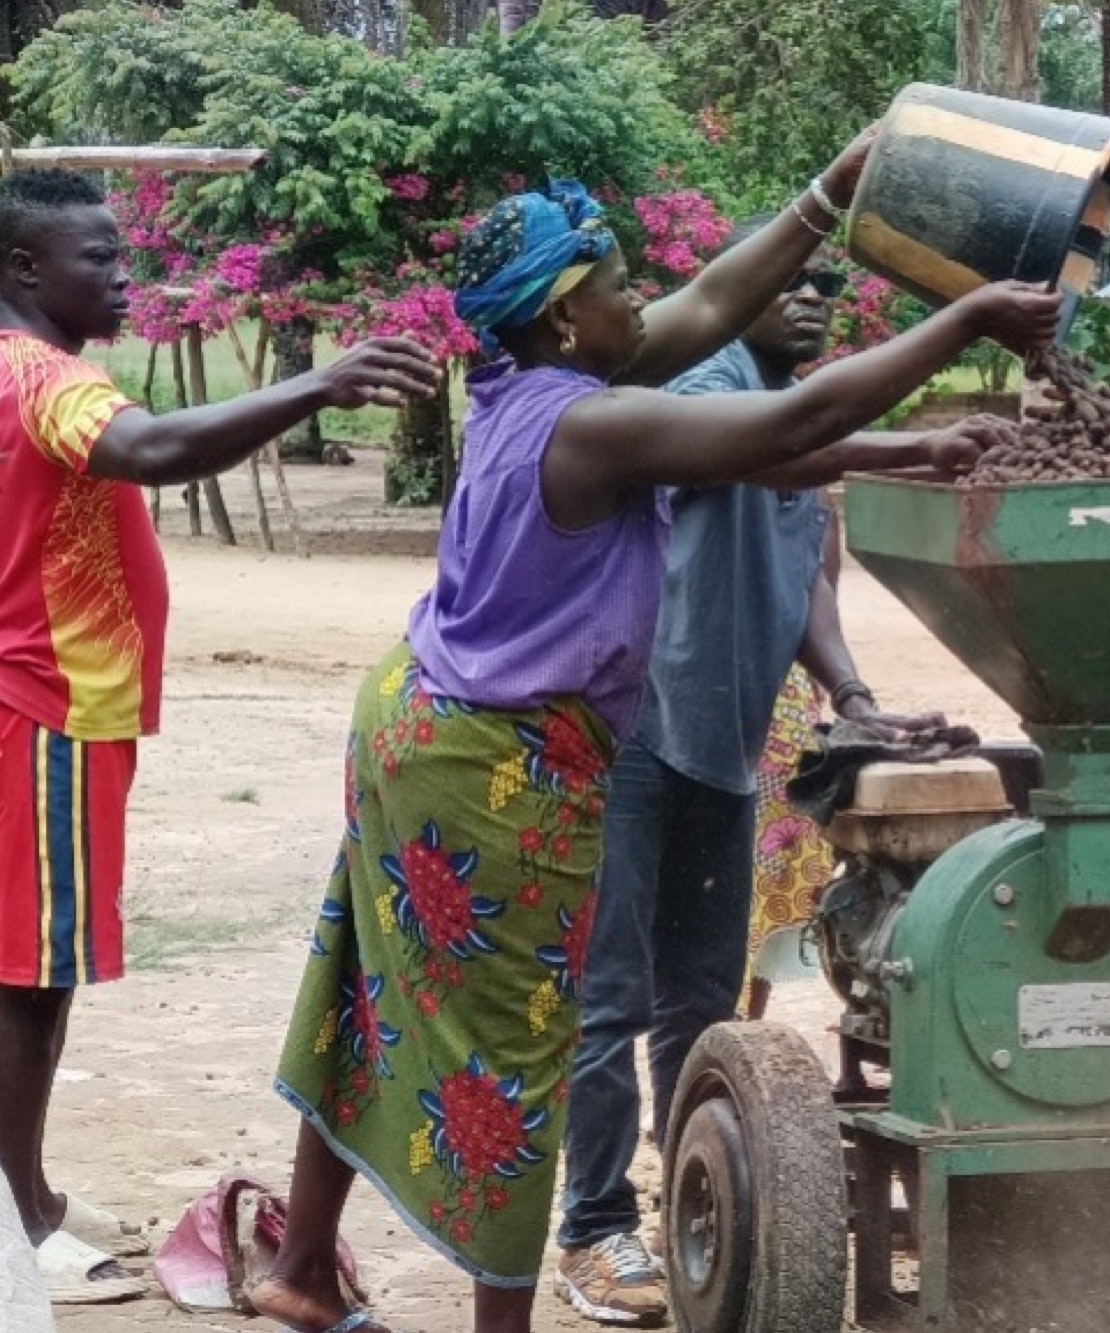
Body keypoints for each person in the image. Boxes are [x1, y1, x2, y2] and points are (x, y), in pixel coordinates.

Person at [248, 151, 1059, 1333]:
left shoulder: (541, 391)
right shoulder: (593, 421)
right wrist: (969, 318)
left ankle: (303, 1267)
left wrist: (831, 191)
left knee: (366, 986)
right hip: (494, 763)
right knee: (522, 1042)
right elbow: (798, 416)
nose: (646, 300)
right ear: (563, 317)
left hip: (420, 720)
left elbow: (730, 329)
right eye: (622, 285)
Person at [0, 168, 438, 1306]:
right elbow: (160, 448)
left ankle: (19, 1191)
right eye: (99, 259)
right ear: (25, 268)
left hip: (35, 707)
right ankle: (3, 1224)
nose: (126, 277)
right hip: (43, 711)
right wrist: (321, 381)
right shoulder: (46, 379)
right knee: (29, 981)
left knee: (42, 973)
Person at [553, 226, 1001, 1325]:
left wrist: (852, 696)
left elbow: (809, 579)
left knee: (703, 996)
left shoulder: (794, 409)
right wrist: (907, 447)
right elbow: (765, 455)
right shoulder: (706, 386)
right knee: (610, 995)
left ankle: (693, 1195)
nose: (811, 299)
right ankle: (594, 1227)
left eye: (826, 286)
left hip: (723, 740)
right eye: (790, 283)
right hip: (633, 730)